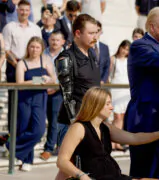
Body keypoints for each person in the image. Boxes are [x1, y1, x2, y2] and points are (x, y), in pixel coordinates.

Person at [57, 87, 159, 180]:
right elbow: (62, 161)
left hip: (114, 176)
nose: (112, 107)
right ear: (96, 105)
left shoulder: (106, 127)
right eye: (107, 104)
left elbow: (134, 138)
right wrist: (82, 176)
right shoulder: (78, 128)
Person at [124, 7, 159, 179]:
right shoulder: (140, 46)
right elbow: (158, 62)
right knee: (144, 172)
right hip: (145, 120)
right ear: (152, 27)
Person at [55, 13, 101, 180]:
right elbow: (67, 95)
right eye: (90, 33)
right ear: (77, 33)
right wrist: (77, 124)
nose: (95, 37)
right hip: (72, 122)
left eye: (96, 32)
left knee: (86, 168)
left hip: (91, 121)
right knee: (69, 168)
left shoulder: (93, 55)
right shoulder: (65, 58)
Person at [11, 36, 56, 171]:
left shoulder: (46, 60)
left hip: (40, 98)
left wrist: (48, 79)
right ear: (28, 48)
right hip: (25, 98)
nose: (34, 49)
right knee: (24, 127)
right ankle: (27, 161)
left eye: (37, 47)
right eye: (32, 46)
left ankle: (12, 146)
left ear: (41, 48)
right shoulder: (22, 63)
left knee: (39, 130)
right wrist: (38, 80)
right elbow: (19, 83)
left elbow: (53, 78)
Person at [2, 0, 42, 132]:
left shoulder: (35, 28)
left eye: (27, 10)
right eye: (22, 9)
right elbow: (6, 50)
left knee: (31, 100)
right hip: (14, 67)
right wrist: (19, 65)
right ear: (17, 10)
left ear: (30, 11)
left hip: (32, 69)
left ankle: (29, 133)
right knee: (14, 102)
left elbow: (40, 47)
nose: (24, 12)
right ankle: (12, 135)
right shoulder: (9, 27)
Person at [40, 31, 65, 161]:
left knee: (54, 120)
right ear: (49, 40)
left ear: (63, 42)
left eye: (57, 40)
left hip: (58, 91)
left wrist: (55, 87)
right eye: (52, 39)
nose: (54, 42)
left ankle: (49, 148)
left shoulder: (67, 55)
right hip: (41, 90)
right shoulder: (42, 53)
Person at [109, 40, 131, 151]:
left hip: (125, 89)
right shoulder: (113, 59)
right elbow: (109, 74)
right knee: (116, 116)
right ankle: (113, 141)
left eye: (127, 49)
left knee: (121, 117)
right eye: (123, 48)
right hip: (115, 88)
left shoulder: (128, 60)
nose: (124, 51)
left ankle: (116, 141)